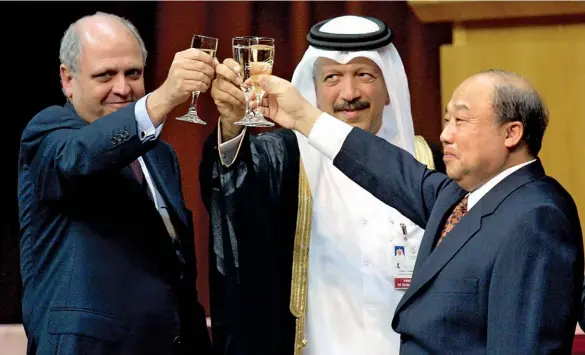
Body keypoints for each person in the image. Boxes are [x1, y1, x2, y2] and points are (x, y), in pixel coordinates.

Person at [251, 68, 584, 354]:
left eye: (461, 121)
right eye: (446, 120)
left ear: (512, 133)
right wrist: (303, 118)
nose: (445, 135)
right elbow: (384, 167)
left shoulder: (536, 217)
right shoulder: (461, 196)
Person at [201, 15, 443, 355]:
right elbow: (235, 193)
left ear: (389, 87)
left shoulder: (429, 163)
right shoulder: (285, 158)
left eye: (364, 75)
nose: (350, 93)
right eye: (332, 78)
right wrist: (231, 125)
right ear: (312, 90)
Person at [18, 12, 216, 355]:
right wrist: (163, 98)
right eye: (105, 75)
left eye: (133, 73)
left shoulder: (159, 155)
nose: (123, 88)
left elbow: (177, 267)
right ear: (68, 79)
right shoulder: (49, 132)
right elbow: (80, 156)